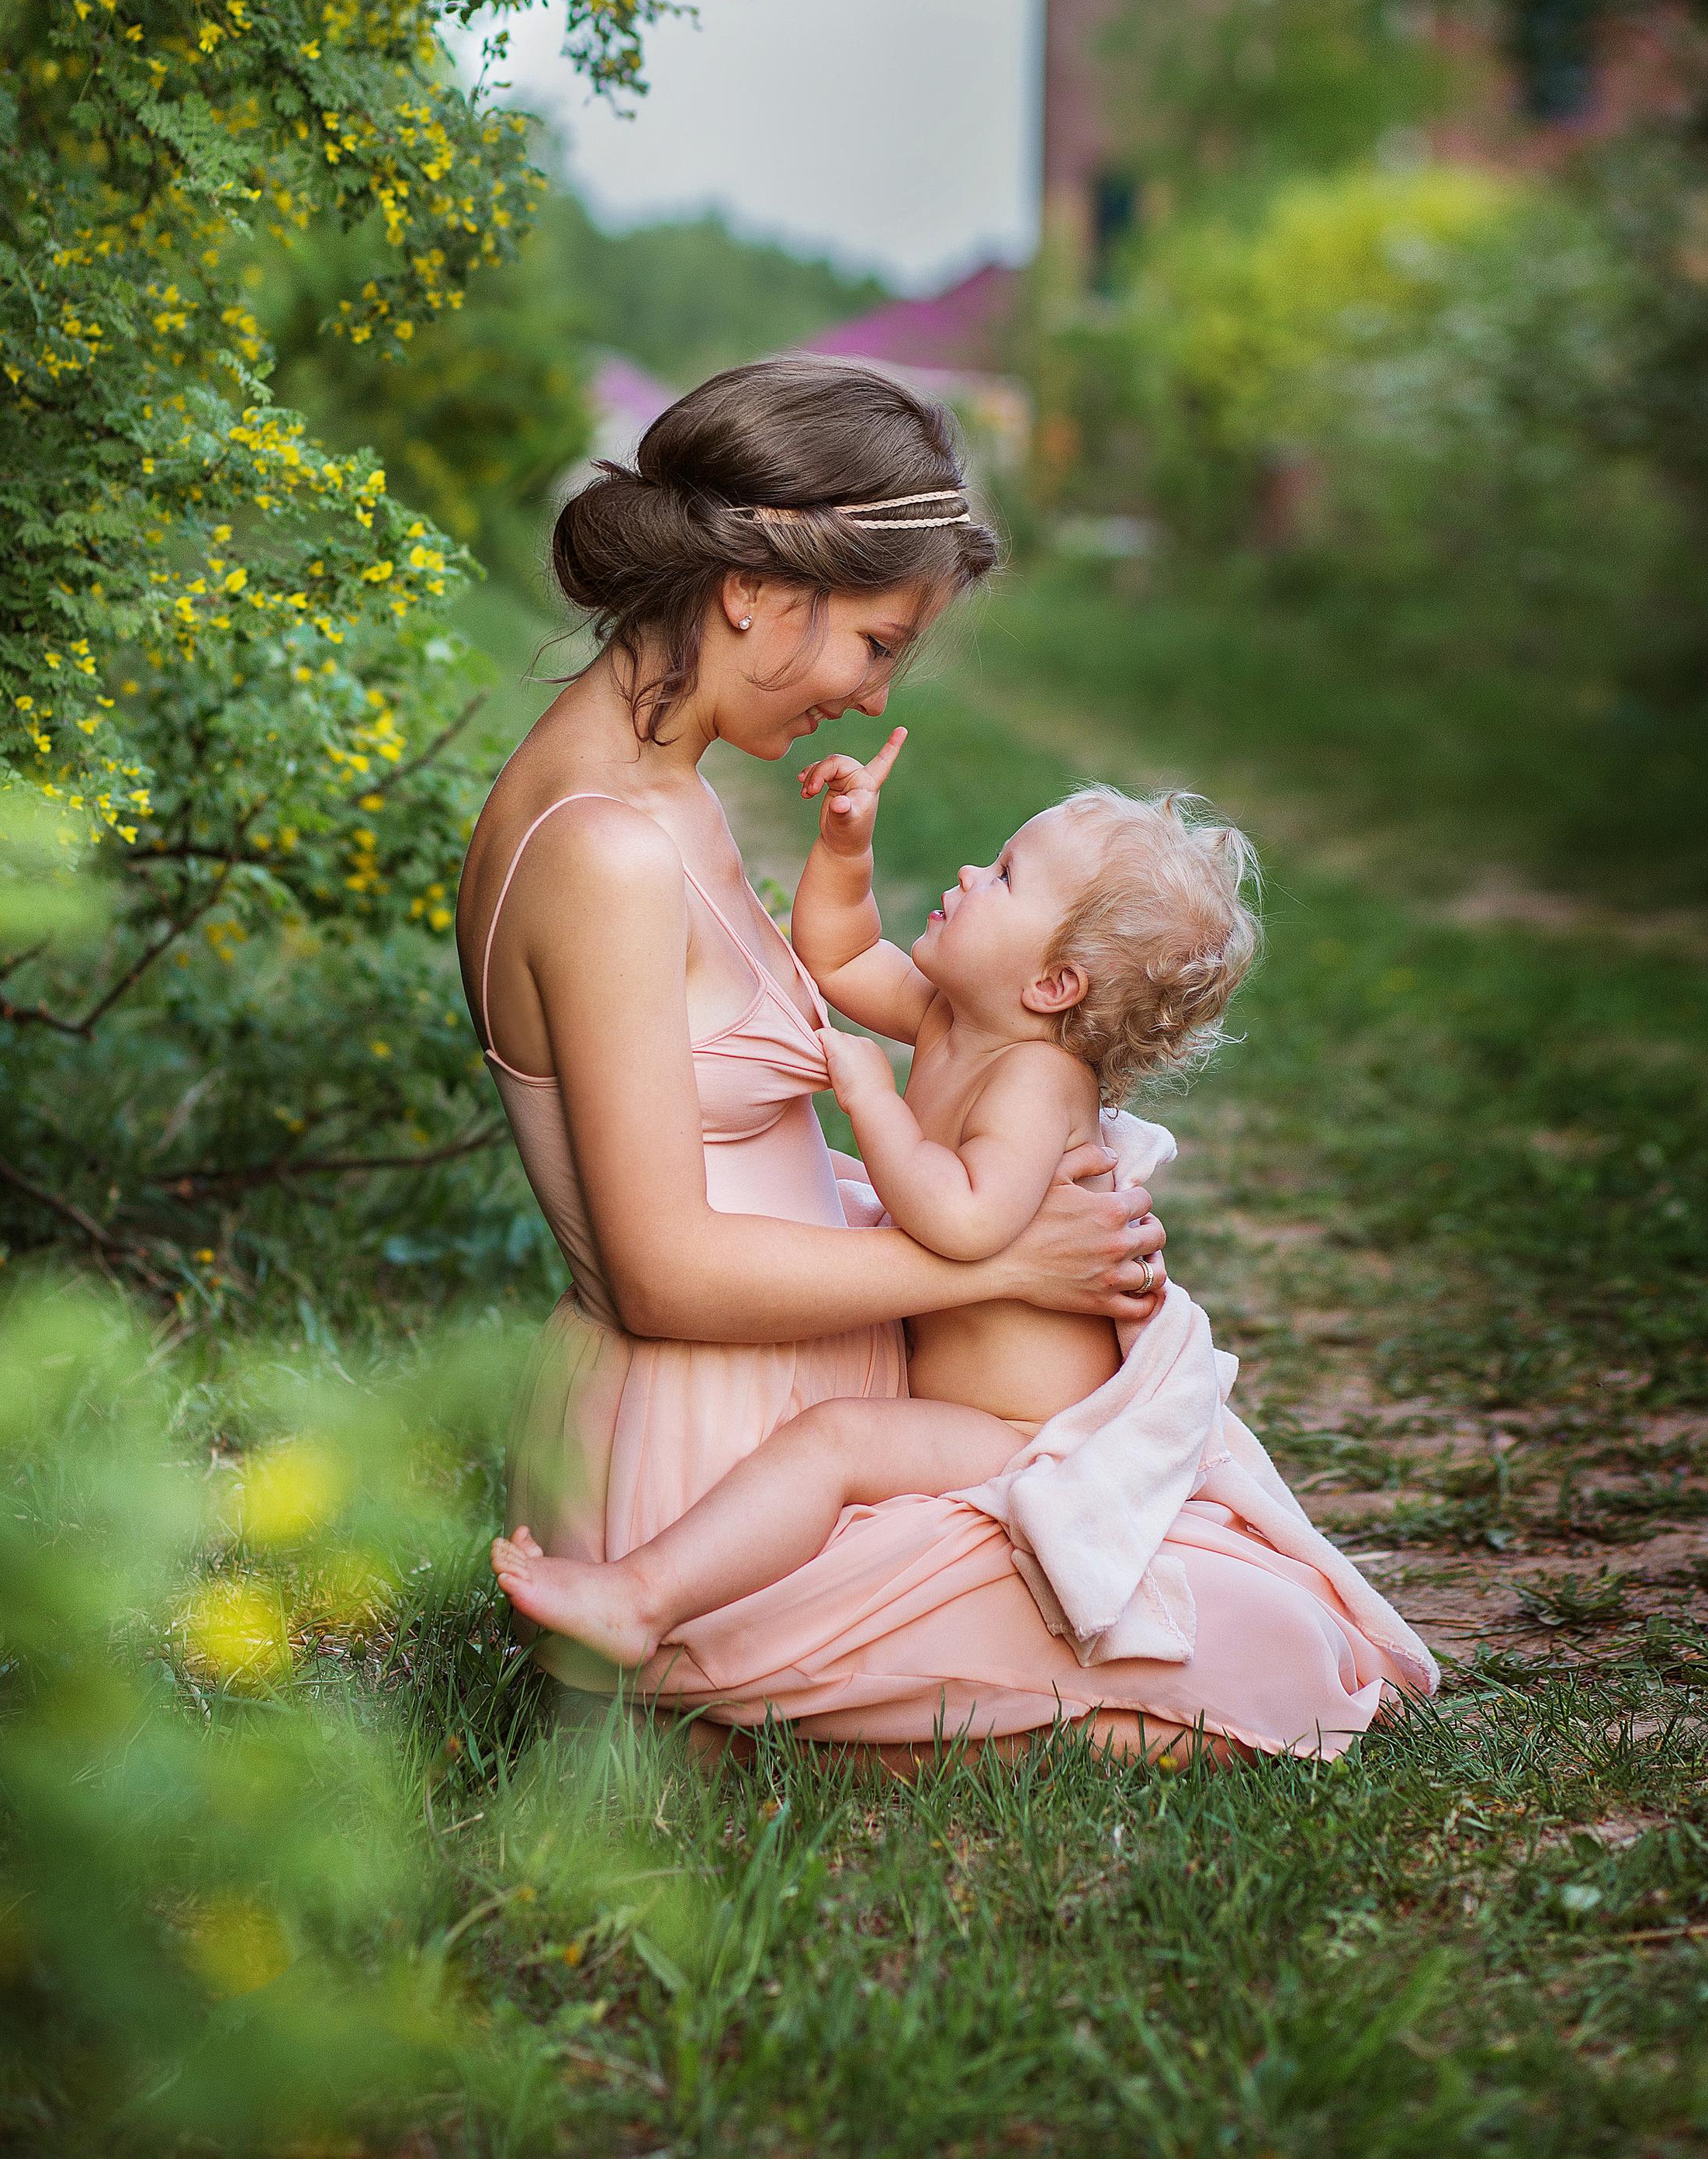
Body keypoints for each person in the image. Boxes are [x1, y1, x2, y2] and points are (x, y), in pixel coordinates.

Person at [459, 352, 1428, 1763]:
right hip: (705, 1458)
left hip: (788, 1413)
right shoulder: (604, 848)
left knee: (1230, 1568)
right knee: (1276, 1645)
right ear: (755, 593)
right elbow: (661, 1271)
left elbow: (759, 1134)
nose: (870, 696)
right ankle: (717, 1688)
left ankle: (787, 1695)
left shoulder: (659, 793)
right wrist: (999, 1264)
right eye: (877, 641)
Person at [489, 751, 1259, 1671]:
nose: (972, 872)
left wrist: (874, 1103)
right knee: (837, 1432)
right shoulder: (956, 1018)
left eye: (1005, 875)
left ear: (1054, 984)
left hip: (1012, 1428)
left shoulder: (1035, 1080)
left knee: (835, 1442)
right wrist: (846, 847)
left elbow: (968, 1221)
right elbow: (841, 953)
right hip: (951, 1395)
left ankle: (643, 1597)